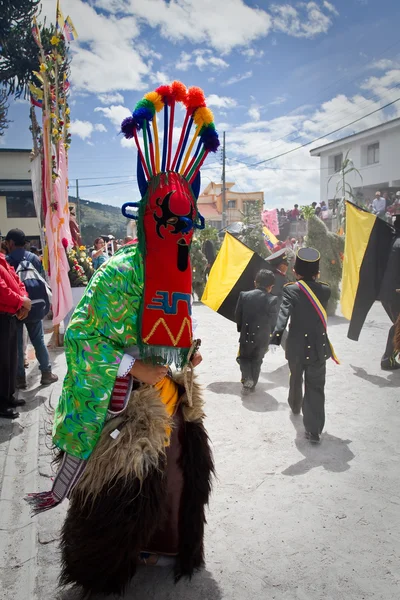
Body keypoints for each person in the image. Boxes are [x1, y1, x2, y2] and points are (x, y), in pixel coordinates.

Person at [26, 81, 219, 597]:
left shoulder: (178, 270)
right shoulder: (115, 274)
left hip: (170, 398)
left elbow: (174, 328)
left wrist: (185, 355)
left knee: (176, 481)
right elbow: (83, 336)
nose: (179, 232)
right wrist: (136, 369)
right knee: (123, 488)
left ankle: (168, 547)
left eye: (186, 224)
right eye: (170, 221)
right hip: (126, 405)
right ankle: (110, 562)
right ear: (148, 214)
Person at [270, 247, 338, 444]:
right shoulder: (325, 290)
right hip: (318, 347)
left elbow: (283, 314)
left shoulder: (290, 290)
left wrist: (276, 337)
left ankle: (294, 405)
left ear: (295, 271)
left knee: (295, 378)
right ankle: (314, 430)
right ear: (317, 273)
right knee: (315, 387)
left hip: (297, 346)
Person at [5, 229, 58, 389]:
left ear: (11, 243)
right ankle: (46, 374)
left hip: (17, 308)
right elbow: (43, 280)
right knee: (38, 341)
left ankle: (20, 378)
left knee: (19, 344)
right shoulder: (34, 258)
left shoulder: (7, 260)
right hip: (36, 306)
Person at [0, 251, 32, 418]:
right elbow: (2, 291)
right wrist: (21, 301)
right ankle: (2, 403)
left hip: (10, 316)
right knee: (3, 362)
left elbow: (17, 281)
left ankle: (8, 396)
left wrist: (23, 300)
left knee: (11, 359)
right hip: (2, 317)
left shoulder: (2, 259)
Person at [235, 269, 277, 393]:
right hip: (263, 337)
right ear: (270, 287)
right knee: (257, 360)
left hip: (246, 334)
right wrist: (270, 334)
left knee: (244, 358)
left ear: (255, 283)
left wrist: (240, 328)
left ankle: (247, 379)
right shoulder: (272, 299)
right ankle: (252, 385)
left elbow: (238, 315)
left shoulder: (244, 295)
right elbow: (274, 320)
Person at [379, 213, 400, 370]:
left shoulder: (393, 241)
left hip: (389, 292)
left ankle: (389, 358)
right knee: (398, 325)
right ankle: (388, 359)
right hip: (395, 293)